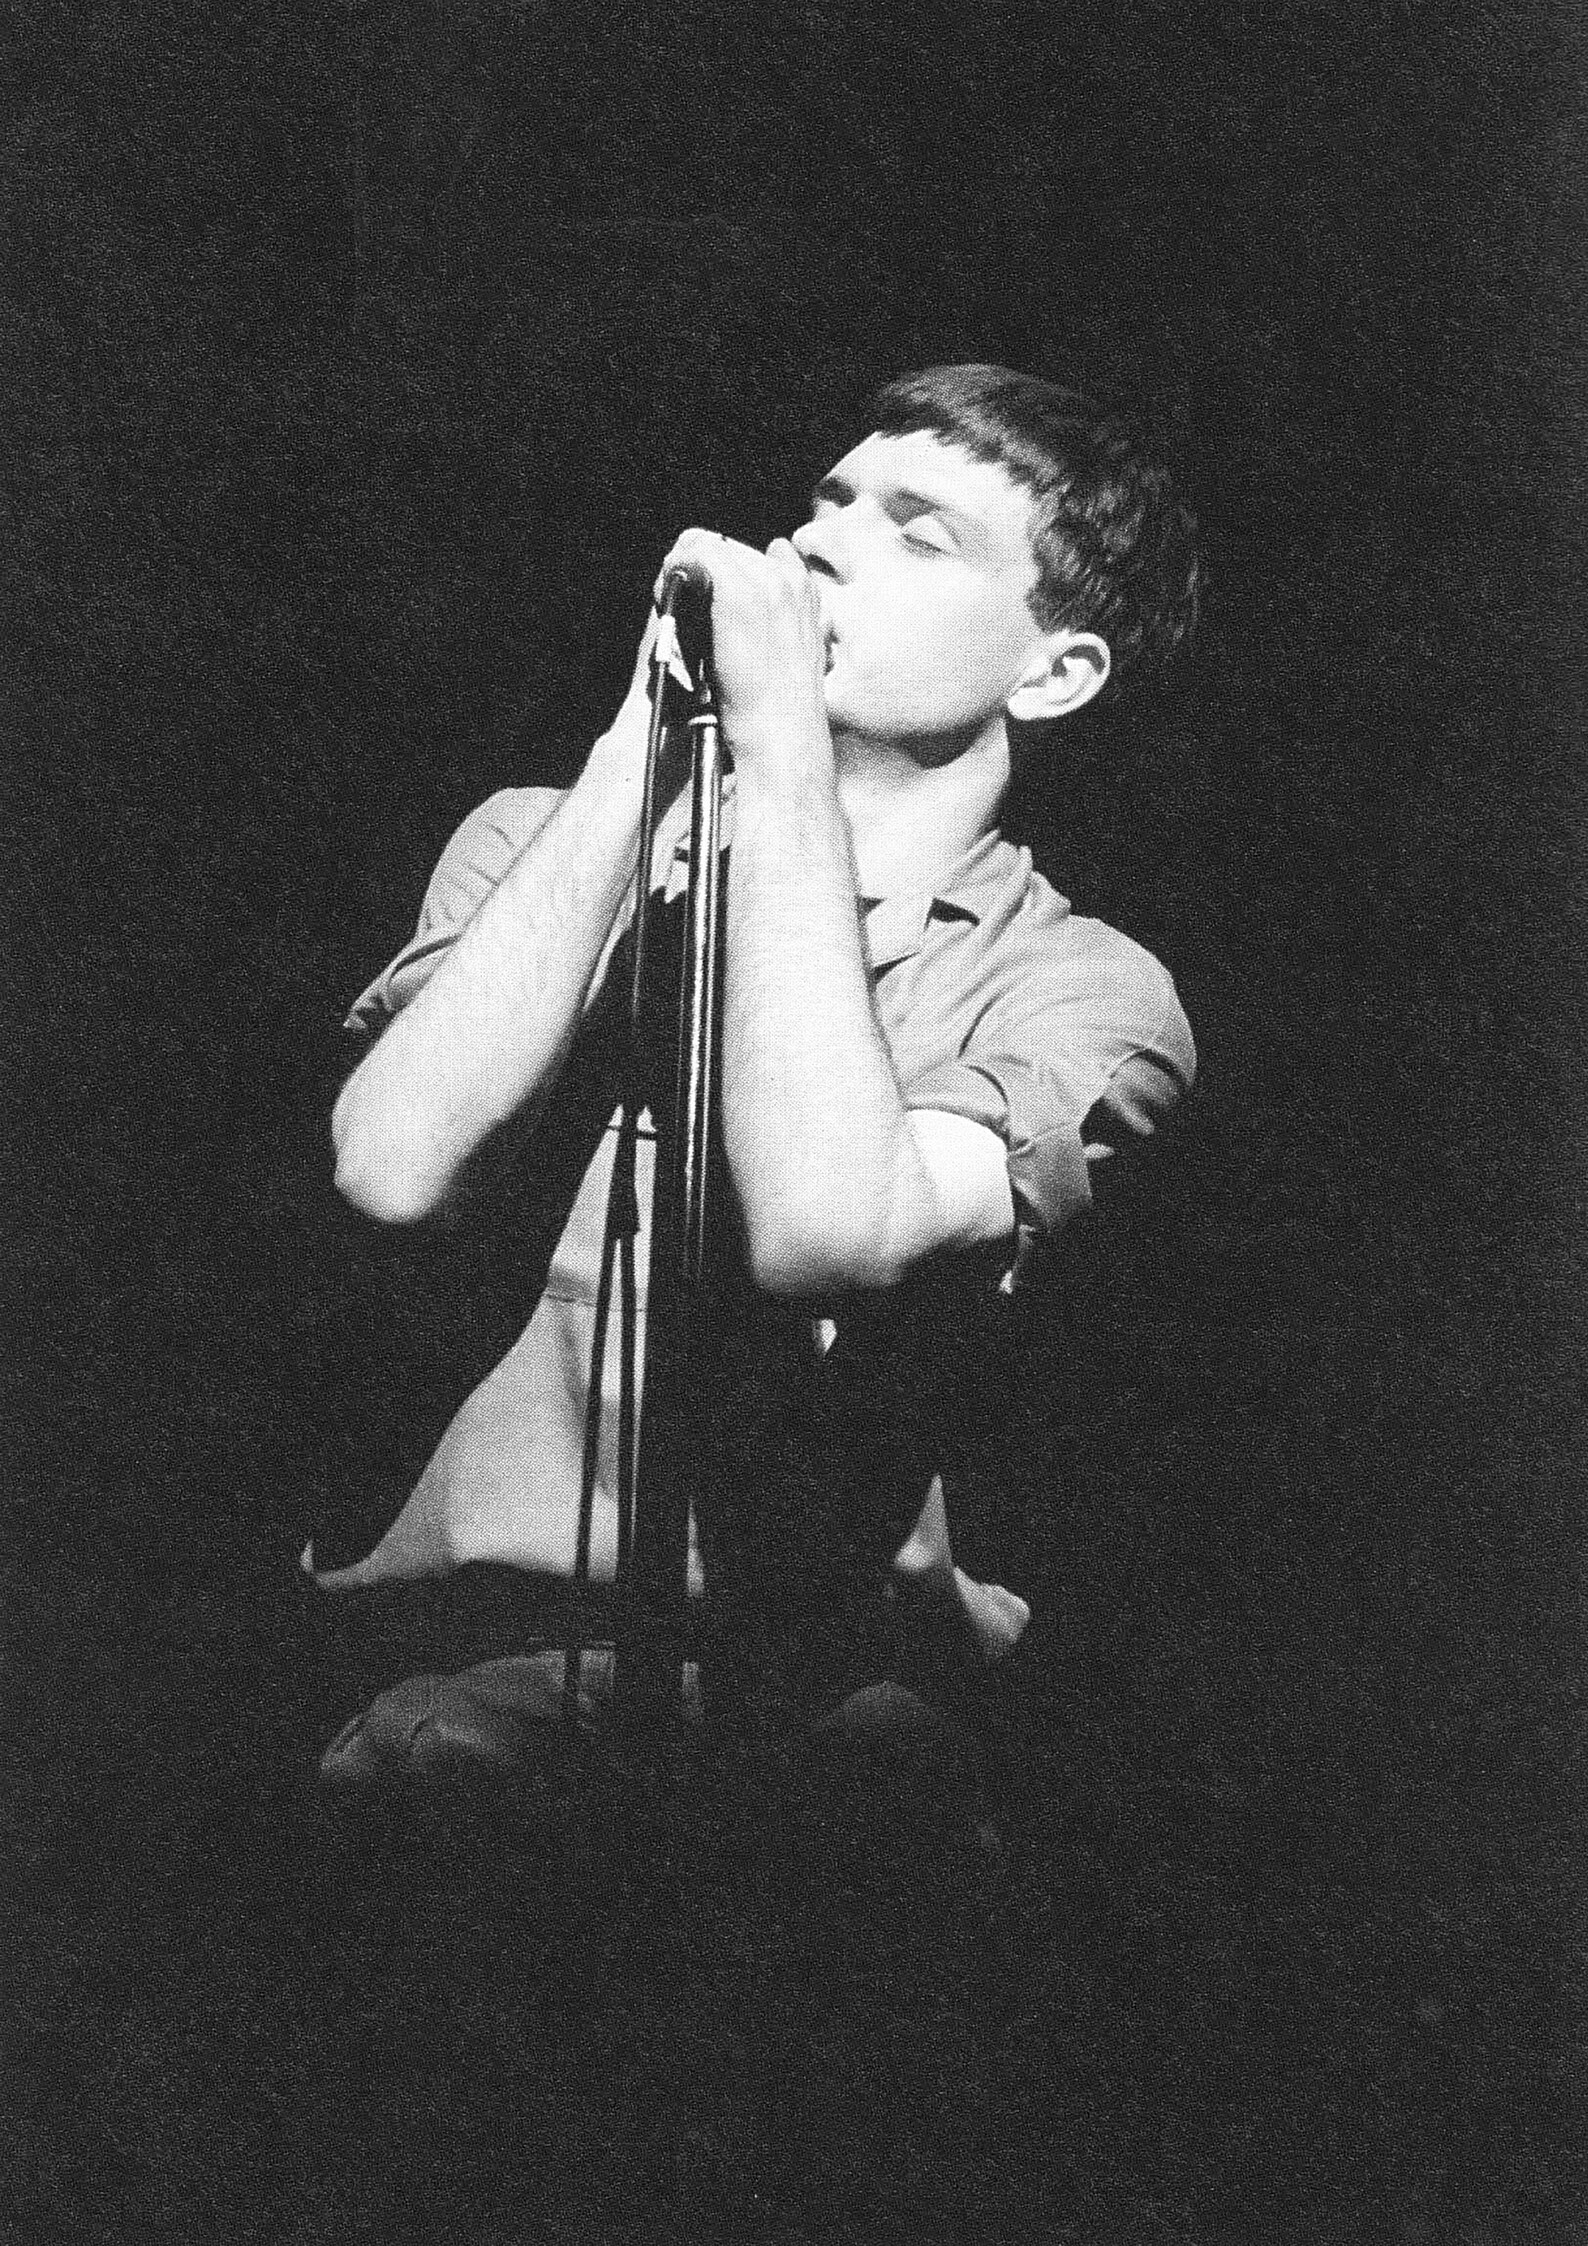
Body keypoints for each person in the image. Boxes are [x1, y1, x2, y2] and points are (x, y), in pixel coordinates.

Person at [304, 364, 1199, 1864]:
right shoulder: (540, 842)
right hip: (450, 1707)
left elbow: (826, 1226)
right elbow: (392, 1166)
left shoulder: (1078, 987)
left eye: (919, 530)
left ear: (1054, 674)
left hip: (823, 1739)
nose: (825, 540)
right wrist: (642, 747)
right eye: (830, 500)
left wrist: (780, 742)